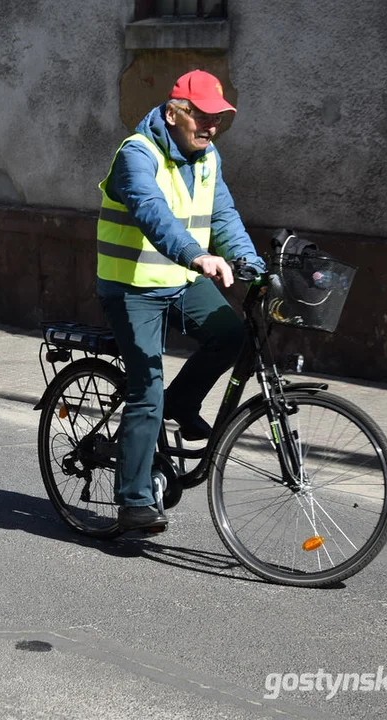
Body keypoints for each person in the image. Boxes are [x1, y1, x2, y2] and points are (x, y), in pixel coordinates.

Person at [96, 69, 266, 532]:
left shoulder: (208, 157)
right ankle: (133, 501)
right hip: (131, 287)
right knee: (146, 390)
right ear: (174, 113)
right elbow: (152, 211)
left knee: (230, 336)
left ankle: (180, 404)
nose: (212, 127)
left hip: (180, 279)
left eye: (220, 120)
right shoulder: (137, 154)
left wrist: (251, 263)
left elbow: (224, 215)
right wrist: (197, 255)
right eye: (204, 117)